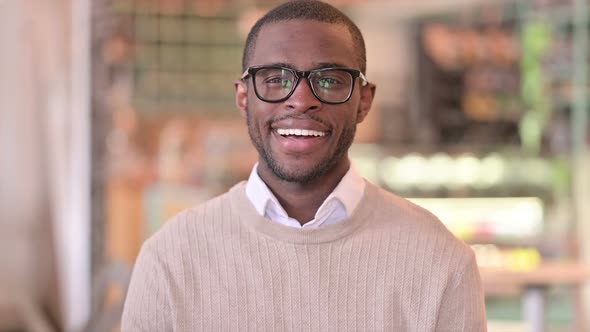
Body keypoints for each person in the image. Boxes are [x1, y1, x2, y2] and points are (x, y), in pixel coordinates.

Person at [121, 1, 487, 331]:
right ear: (244, 97)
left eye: (328, 80)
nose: (300, 100)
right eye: (276, 79)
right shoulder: (171, 257)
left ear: (363, 101)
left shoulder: (439, 261)